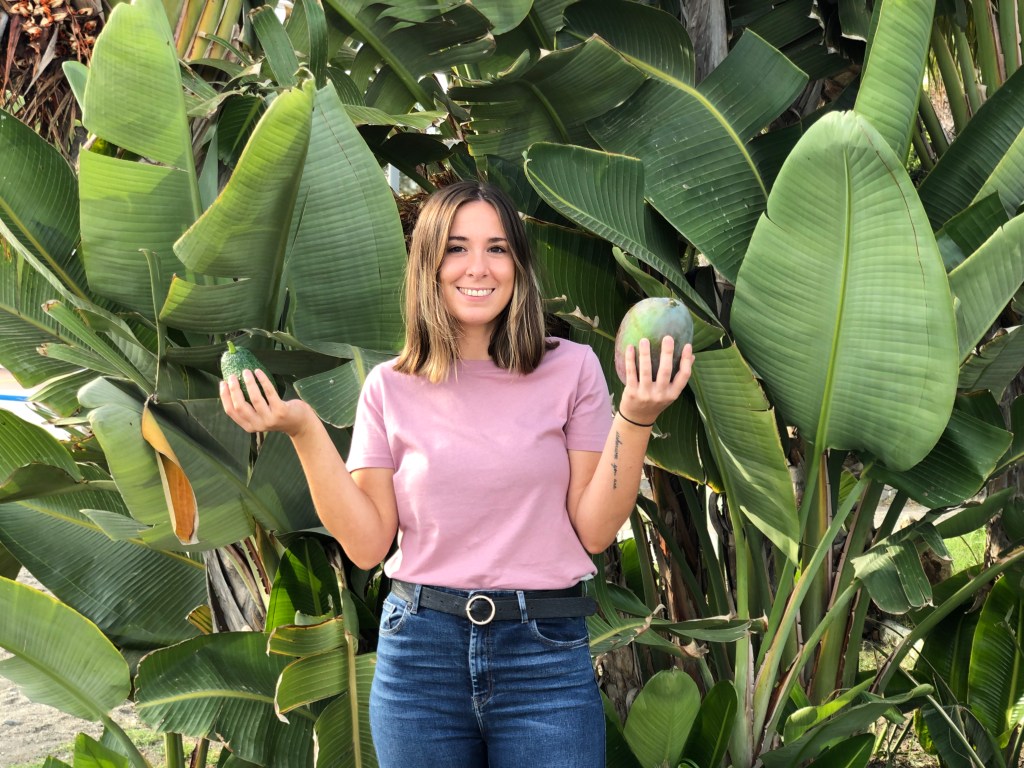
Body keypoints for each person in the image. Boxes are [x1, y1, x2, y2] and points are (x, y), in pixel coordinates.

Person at [219, 180, 694, 767]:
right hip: (421, 656)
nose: (478, 267)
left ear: (518, 264)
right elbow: (368, 546)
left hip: (543, 656)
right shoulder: (388, 387)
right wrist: (303, 429)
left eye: (497, 248)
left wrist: (636, 416)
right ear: (428, 264)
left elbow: (595, 531)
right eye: (456, 247)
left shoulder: (572, 369)